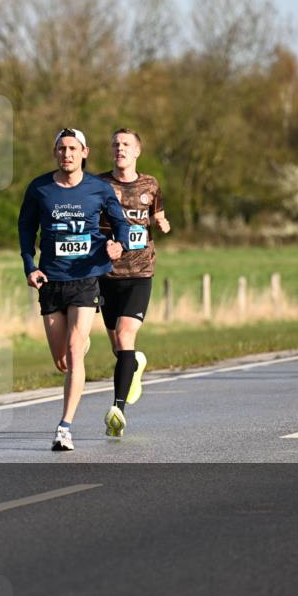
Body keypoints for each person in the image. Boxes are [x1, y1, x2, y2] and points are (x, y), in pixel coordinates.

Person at [18, 128, 130, 450]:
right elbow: (25, 228)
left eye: (72, 148)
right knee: (62, 360)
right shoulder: (39, 188)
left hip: (86, 277)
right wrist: (30, 265)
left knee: (74, 348)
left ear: (84, 152)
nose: (66, 154)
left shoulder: (99, 188)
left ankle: (64, 427)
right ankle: (78, 345)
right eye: (61, 149)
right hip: (52, 279)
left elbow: (120, 223)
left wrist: (119, 244)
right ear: (55, 152)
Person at [97, 128, 170, 411]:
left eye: (126, 144)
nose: (120, 148)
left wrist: (162, 222)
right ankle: (135, 365)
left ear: (137, 151)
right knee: (119, 346)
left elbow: (157, 212)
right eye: (115, 144)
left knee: (126, 336)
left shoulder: (150, 184)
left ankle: (118, 411)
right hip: (107, 273)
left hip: (140, 272)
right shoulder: (99, 184)